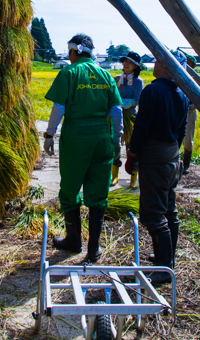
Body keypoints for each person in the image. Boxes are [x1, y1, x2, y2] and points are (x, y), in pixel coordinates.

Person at [43, 34, 123, 263]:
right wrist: (116, 140)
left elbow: (59, 107)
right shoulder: (105, 75)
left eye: (69, 53)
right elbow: (116, 111)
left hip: (76, 137)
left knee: (70, 189)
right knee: (98, 193)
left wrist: (50, 134)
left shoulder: (68, 73)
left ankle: (74, 241)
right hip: (101, 138)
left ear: (74, 51)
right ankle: (94, 248)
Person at [130, 52, 189, 284]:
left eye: (156, 61)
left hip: (154, 158)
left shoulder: (152, 92)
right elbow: (182, 131)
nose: (153, 64)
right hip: (172, 157)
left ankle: (164, 269)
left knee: (154, 214)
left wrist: (133, 153)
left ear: (164, 65)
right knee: (169, 209)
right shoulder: (182, 94)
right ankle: (168, 258)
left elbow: (142, 127)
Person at [113, 51, 144, 187]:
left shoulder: (138, 82)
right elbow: (112, 96)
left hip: (131, 118)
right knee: (115, 145)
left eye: (130, 62)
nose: (126, 64)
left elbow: (136, 100)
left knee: (131, 147)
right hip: (116, 116)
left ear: (136, 66)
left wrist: (122, 103)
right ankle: (114, 176)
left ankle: (133, 177)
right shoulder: (116, 79)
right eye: (125, 61)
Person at [181, 54, 198, 174]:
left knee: (188, 139)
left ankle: (185, 165)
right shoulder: (178, 76)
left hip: (190, 110)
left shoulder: (196, 80)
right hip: (178, 109)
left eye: (188, 63)